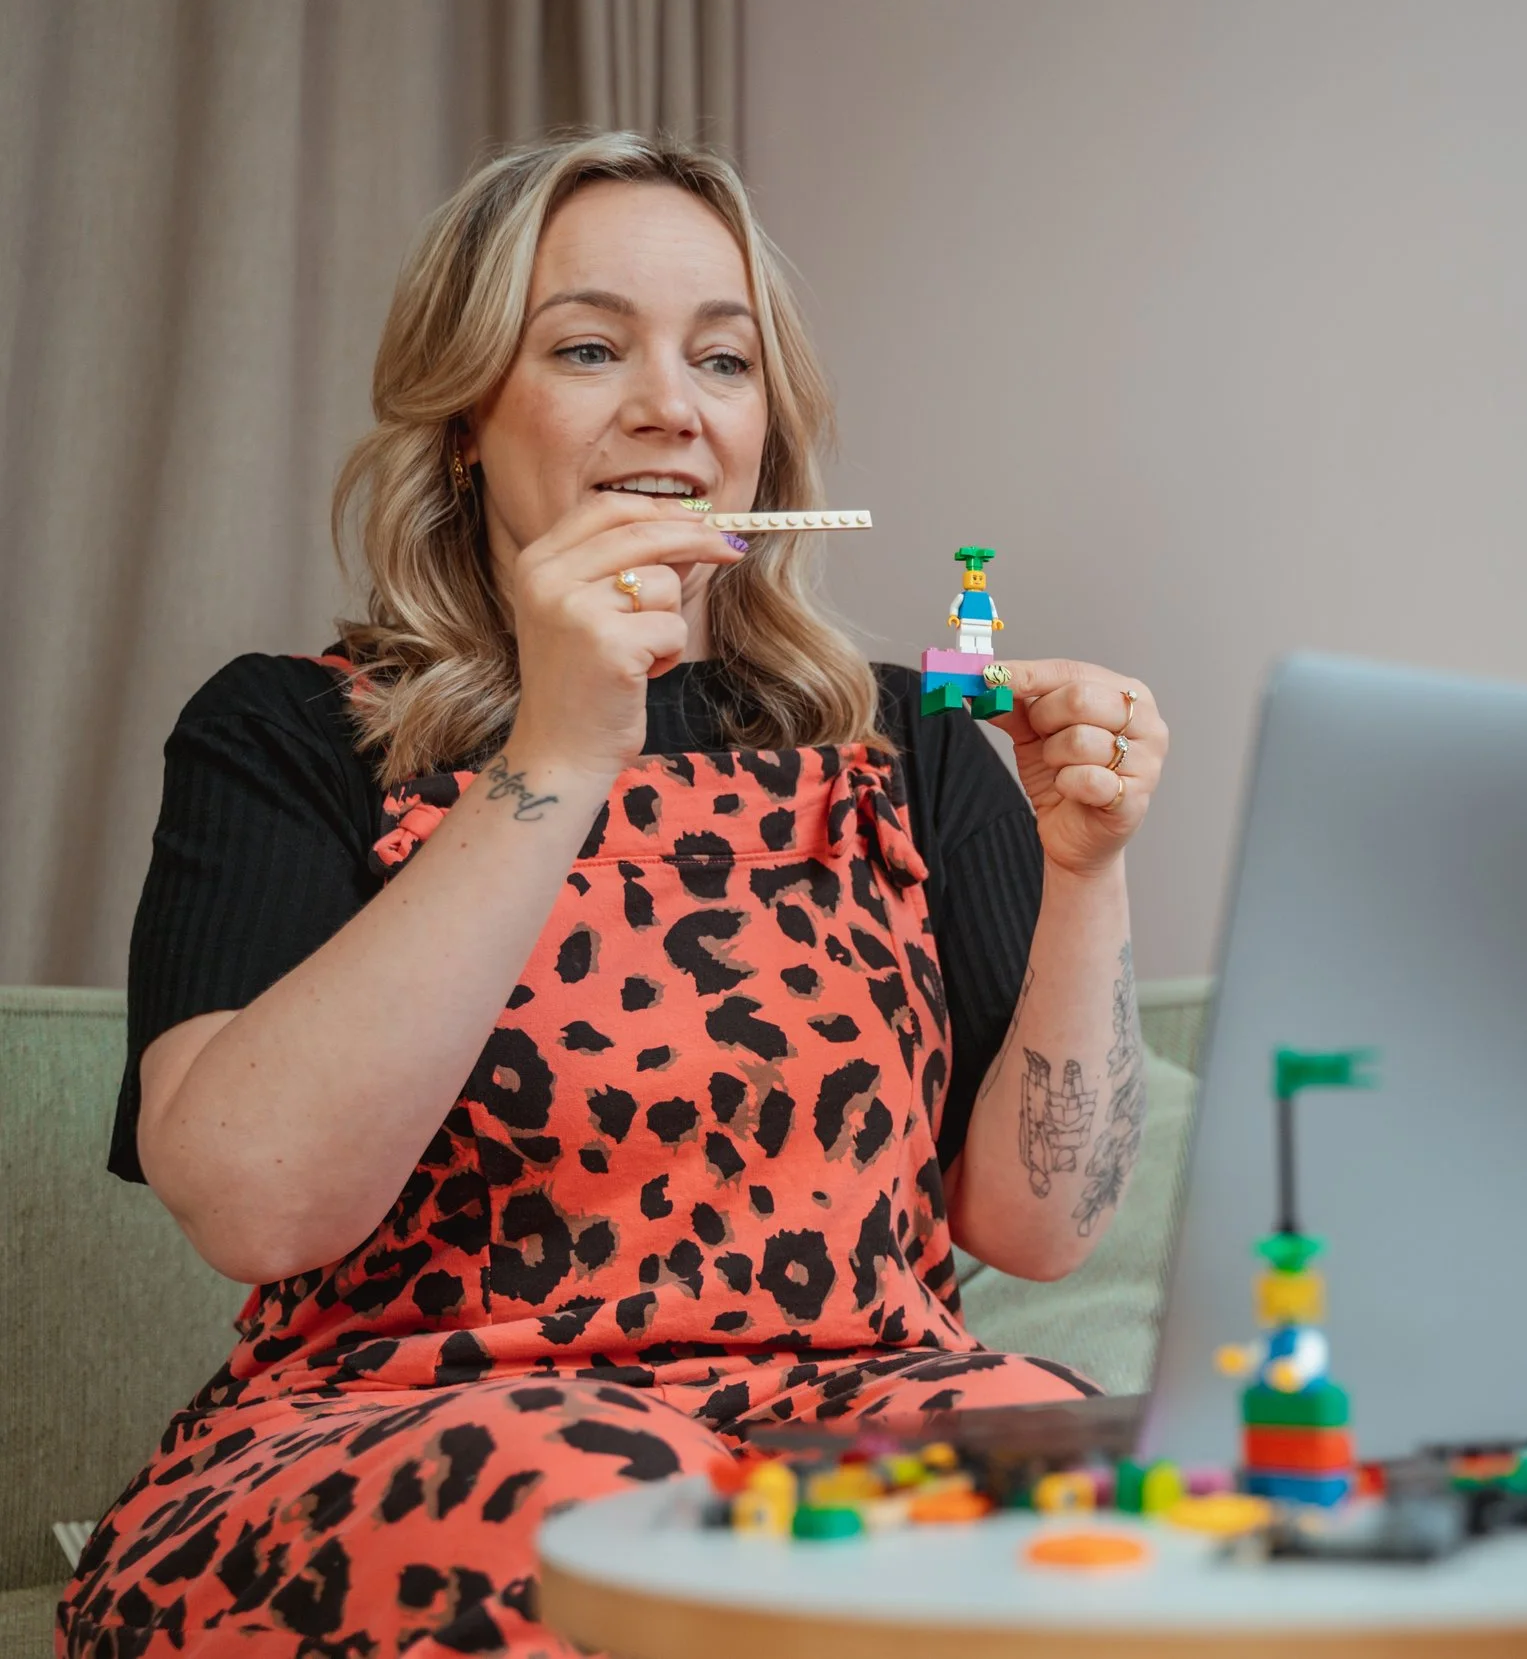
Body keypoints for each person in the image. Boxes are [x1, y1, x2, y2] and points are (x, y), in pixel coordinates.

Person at [58, 130, 1168, 1658]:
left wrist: (1088, 875)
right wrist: (566, 744)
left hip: (850, 1423)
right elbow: (256, 1201)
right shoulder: (287, 732)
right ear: (464, 420)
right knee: (617, 1505)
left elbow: (1041, 1228)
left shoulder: (907, 742)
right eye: (589, 347)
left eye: (725, 361)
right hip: (411, 1436)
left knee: (1095, 1491)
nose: (673, 407)